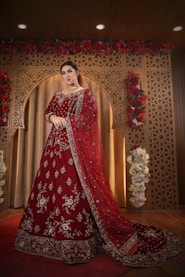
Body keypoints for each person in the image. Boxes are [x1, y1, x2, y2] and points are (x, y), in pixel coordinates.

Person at [15, 60, 184, 267]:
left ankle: (79, 236)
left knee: (73, 190)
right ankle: (49, 232)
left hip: (75, 152)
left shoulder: (85, 94)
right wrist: (52, 117)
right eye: (63, 73)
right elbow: (48, 111)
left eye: (69, 71)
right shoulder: (58, 95)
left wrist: (66, 121)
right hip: (54, 151)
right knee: (52, 189)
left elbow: (90, 117)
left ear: (77, 73)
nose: (66, 75)